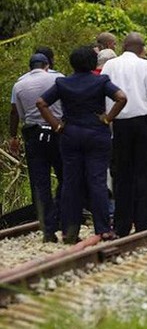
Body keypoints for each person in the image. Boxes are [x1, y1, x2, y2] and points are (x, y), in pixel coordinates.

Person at [36, 46, 127, 244]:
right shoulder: (101, 81)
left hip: (70, 135)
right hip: (96, 134)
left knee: (71, 183)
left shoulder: (62, 83)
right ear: (93, 63)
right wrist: (107, 118)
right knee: (97, 181)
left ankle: (70, 231)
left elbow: (41, 103)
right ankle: (103, 229)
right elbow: (121, 97)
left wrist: (57, 125)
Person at [101, 32, 147, 237]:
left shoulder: (109, 65)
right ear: (142, 48)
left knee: (122, 175)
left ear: (123, 47)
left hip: (118, 124)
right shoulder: (146, 66)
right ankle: (144, 223)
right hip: (143, 123)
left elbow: (103, 92)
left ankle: (121, 225)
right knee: (145, 174)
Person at [9, 54, 65, 243]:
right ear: (47, 65)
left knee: (40, 184)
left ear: (30, 66)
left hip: (34, 136)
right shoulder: (58, 78)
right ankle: (63, 218)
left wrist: (13, 137)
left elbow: (18, 113)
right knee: (66, 176)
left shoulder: (19, 85)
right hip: (58, 131)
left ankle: (48, 229)